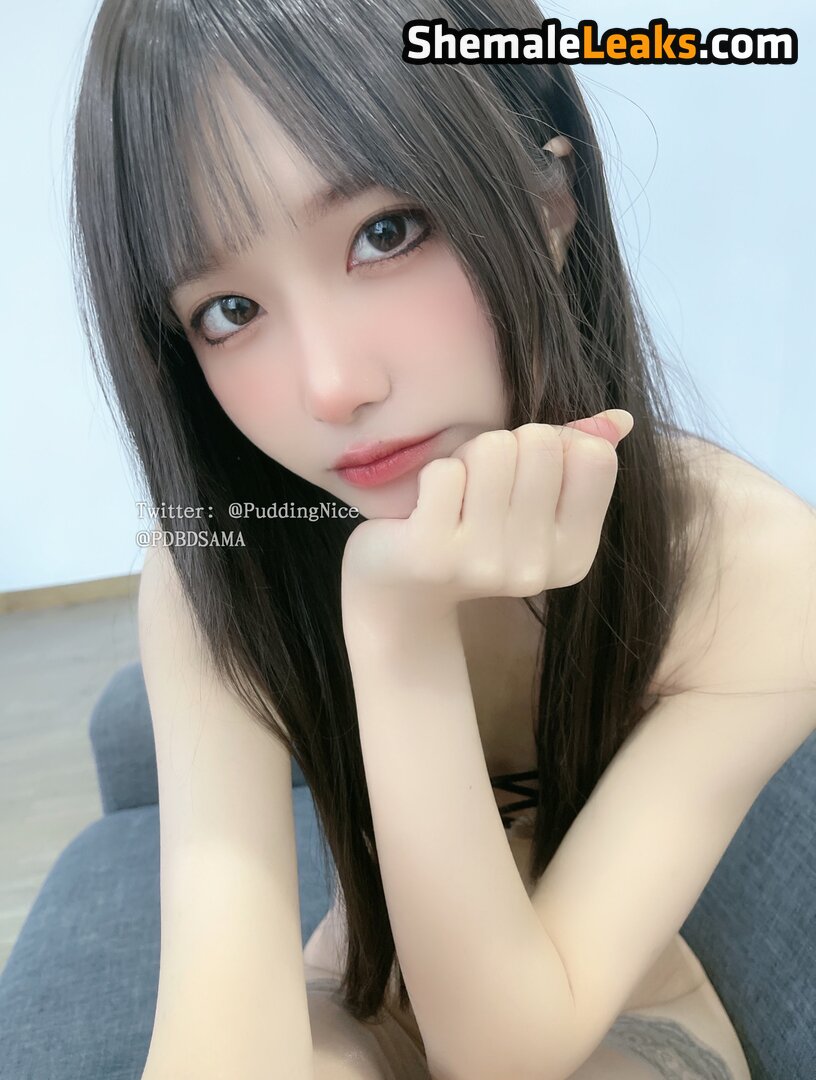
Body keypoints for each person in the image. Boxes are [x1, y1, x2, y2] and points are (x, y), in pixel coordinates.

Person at [69, 1, 816, 1077]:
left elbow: (507, 1054)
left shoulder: (753, 566)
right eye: (228, 310)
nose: (332, 387)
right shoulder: (222, 561)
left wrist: (399, 632)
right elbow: (215, 1030)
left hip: (609, 1013)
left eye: (386, 233)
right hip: (359, 994)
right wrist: (388, 601)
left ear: (549, 198)